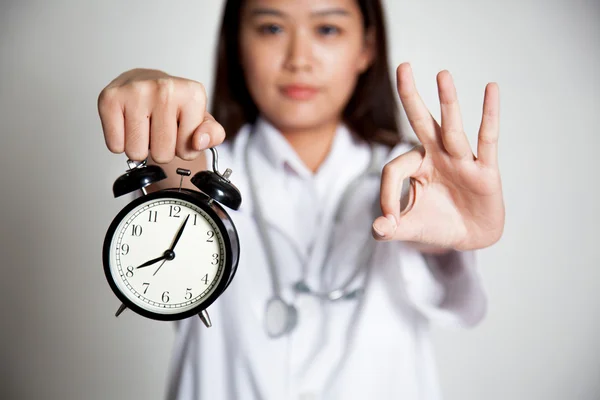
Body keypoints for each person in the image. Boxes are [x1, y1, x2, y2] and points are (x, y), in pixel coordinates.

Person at [97, 0, 505, 398]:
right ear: (236, 44)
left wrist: (455, 227)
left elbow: (429, 240)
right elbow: (175, 191)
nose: (299, 58)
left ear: (366, 48)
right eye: (271, 27)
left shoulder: (411, 176)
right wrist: (155, 107)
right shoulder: (202, 160)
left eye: (327, 28)